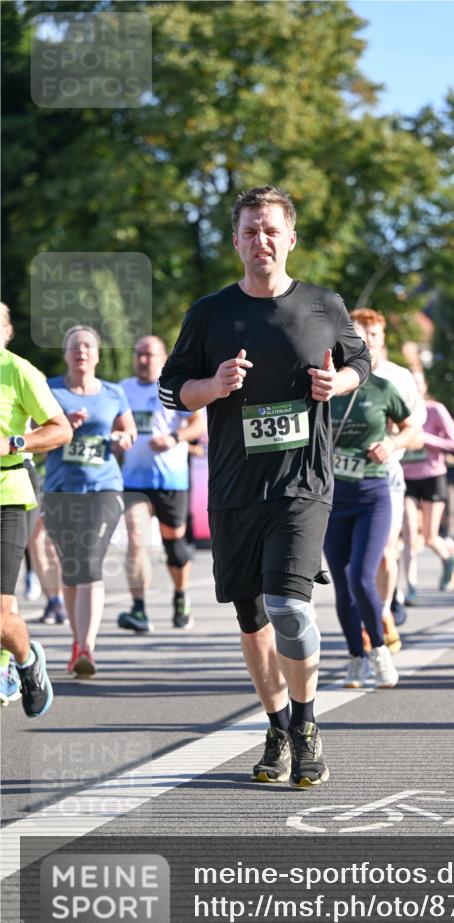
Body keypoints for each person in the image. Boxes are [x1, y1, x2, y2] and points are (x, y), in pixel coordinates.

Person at [158, 185, 370, 787]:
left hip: (303, 482)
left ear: (290, 238)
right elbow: (171, 390)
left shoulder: (324, 305)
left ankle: (306, 725)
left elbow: (361, 362)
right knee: (252, 620)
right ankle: (276, 726)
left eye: (271, 230)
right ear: (236, 241)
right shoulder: (209, 314)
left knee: (289, 607)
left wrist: (339, 383)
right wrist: (214, 386)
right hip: (234, 488)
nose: (261, 240)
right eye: (250, 231)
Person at [324, 318, 419, 689]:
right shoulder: (324, 388)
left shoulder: (382, 389)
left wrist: (391, 445)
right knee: (341, 584)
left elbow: (412, 429)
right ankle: (355, 657)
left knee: (361, 576)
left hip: (372, 495)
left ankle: (378, 649)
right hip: (333, 498)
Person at [43, 326, 137, 677]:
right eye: (74, 346)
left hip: (103, 488)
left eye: (87, 346)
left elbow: (129, 430)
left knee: (89, 561)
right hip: (60, 490)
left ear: (97, 355)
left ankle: (87, 647)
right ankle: (76, 641)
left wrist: (122, 439)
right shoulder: (50, 390)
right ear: (65, 354)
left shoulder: (113, 393)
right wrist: (63, 425)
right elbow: (34, 431)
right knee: (72, 568)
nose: (81, 351)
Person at [0, 301, 72, 715]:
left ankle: (26, 662)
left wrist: (15, 442)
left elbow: (61, 429)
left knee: (1, 614)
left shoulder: (20, 371)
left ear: (7, 332)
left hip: (10, 494)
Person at [348, 308, 426, 645]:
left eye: (374, 335)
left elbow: (417, 435)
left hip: (385, 474)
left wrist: (391, 440)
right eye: (360, 334)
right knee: (350, 560)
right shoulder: (339, 375)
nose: (367, 341)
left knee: (382, 551)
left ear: (382, 339)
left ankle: (380, 616)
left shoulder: (399, 378)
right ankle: (367, 615)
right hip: (343, 476)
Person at [118, 336, 205, 633]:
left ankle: (180, 596)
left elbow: (198, 423)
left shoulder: (172, 387)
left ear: (164, 358)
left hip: (171, 479)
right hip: (134, 481)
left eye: (150, 354)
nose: (143, 359)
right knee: (135, 539)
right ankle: (139, 609)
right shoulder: (123, 390)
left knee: (175, 548)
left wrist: (173, 438)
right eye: (139, 354)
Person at [402, 370, 454, 599]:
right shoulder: (399, 410)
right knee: (409, 532)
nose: (415, 388)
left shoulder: (435, 410)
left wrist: (424, 439)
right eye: (410, 383)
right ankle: (411, 587)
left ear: (424, 386)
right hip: (407, 478)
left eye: (418, 383)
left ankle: (448, 559)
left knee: (429, 537)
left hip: (432, 476)